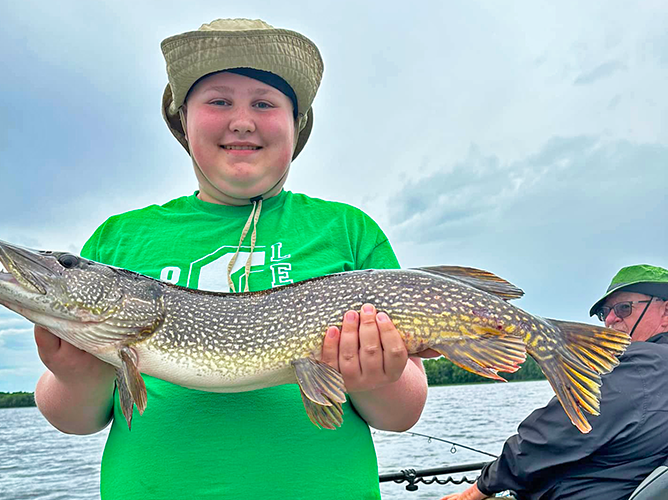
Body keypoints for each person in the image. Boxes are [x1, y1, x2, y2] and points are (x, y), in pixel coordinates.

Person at [32, 18, 429, 499]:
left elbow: (401, 414)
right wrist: (75, 374)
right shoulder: (119, 240)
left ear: (296, 124)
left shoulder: (347, 231)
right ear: (183, 120)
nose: (242, 120)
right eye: (219, 101)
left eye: (264, 103)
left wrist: (378, 380)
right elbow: (74, 420)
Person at [441, 264, 668, 500]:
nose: (610, 319)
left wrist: (477, 490)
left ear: (666, 311)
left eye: (624, 308)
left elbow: (550, 437)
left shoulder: (641, 365)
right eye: (605, 312)